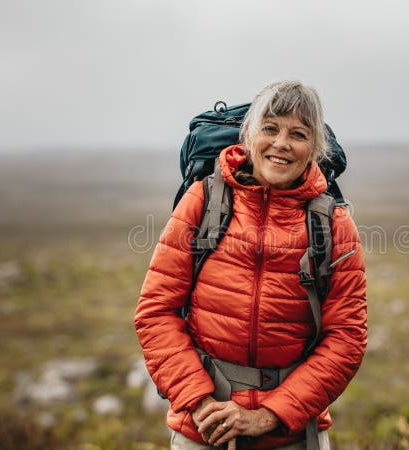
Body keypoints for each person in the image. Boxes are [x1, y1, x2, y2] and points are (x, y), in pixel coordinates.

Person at [134, 80, 367, 449]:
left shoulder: (333, 224)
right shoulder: (202, 200)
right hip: (203, 428)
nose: (281, 144)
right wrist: (199, 403)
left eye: (299, 134)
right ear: (248, 136)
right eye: (270, 129)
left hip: (292, 434)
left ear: (315, 149)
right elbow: (155, 312)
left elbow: (346, 338)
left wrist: (268, 416)